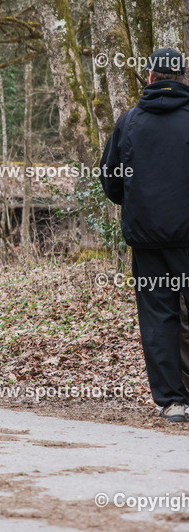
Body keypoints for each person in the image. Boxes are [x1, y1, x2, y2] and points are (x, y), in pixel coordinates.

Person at [101, 47, 189, 423]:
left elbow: (111, 181)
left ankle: (172, 402)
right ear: (183, 77)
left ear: (150, 77)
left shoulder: (128, 122)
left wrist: (139, 204)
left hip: (149, 238)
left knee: (158, 317)